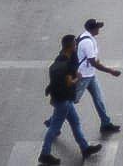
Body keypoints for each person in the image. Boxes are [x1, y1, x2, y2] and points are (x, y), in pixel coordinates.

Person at [41, 35, 101, 165]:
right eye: (75, 44)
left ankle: (85, 148)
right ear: (70, 47)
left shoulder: (58, 60)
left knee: (75, 122)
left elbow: (55, 80)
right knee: (54, 127)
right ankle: (44, 154)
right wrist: (78, 78)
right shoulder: (67, 64)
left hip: (61, 99)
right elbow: (69, 82)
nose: (76, 46)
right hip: (64, 101)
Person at [74, 19, 122, 134]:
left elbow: (93, 59)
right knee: (71, 101)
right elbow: (93, 62)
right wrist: (110, 71)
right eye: (97, 27)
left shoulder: (86, 37)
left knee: (99, 99)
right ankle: (53, 121)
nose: (99, 29)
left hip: (89, 75)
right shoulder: (88, 42)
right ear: (92, 29)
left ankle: (105, 123)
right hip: (83, 76)